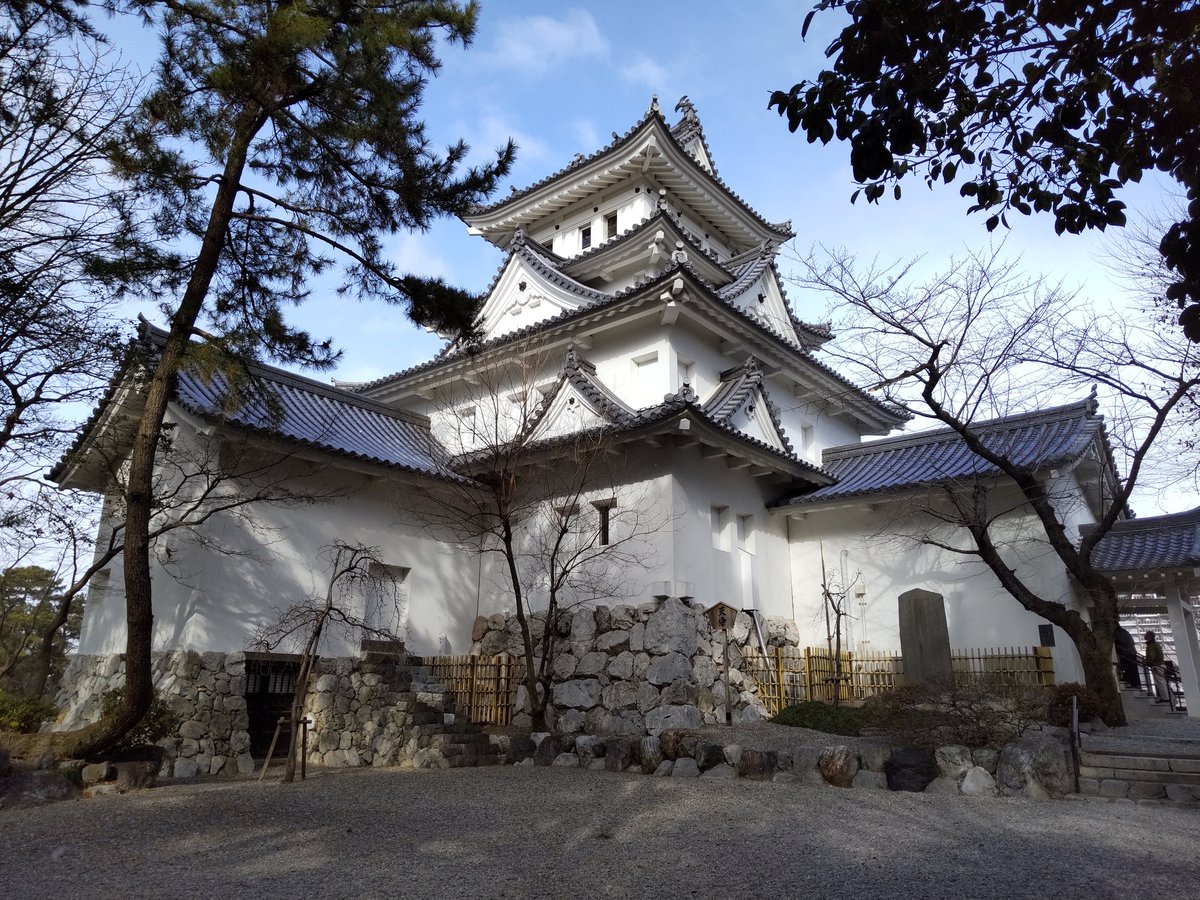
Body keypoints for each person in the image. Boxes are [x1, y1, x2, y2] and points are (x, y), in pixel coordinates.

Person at [1145, 631, 1169, 703]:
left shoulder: (1151, 645)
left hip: (1156, 665)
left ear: (1149, 637)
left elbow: (1152, 656)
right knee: (1162, 682)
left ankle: (1165, 698)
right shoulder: (1156, 644)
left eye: (1146, 635)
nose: (1144, 636)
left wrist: (1148, 662)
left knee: (1159, 682)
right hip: (1161, 664)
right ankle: (1167, 697)